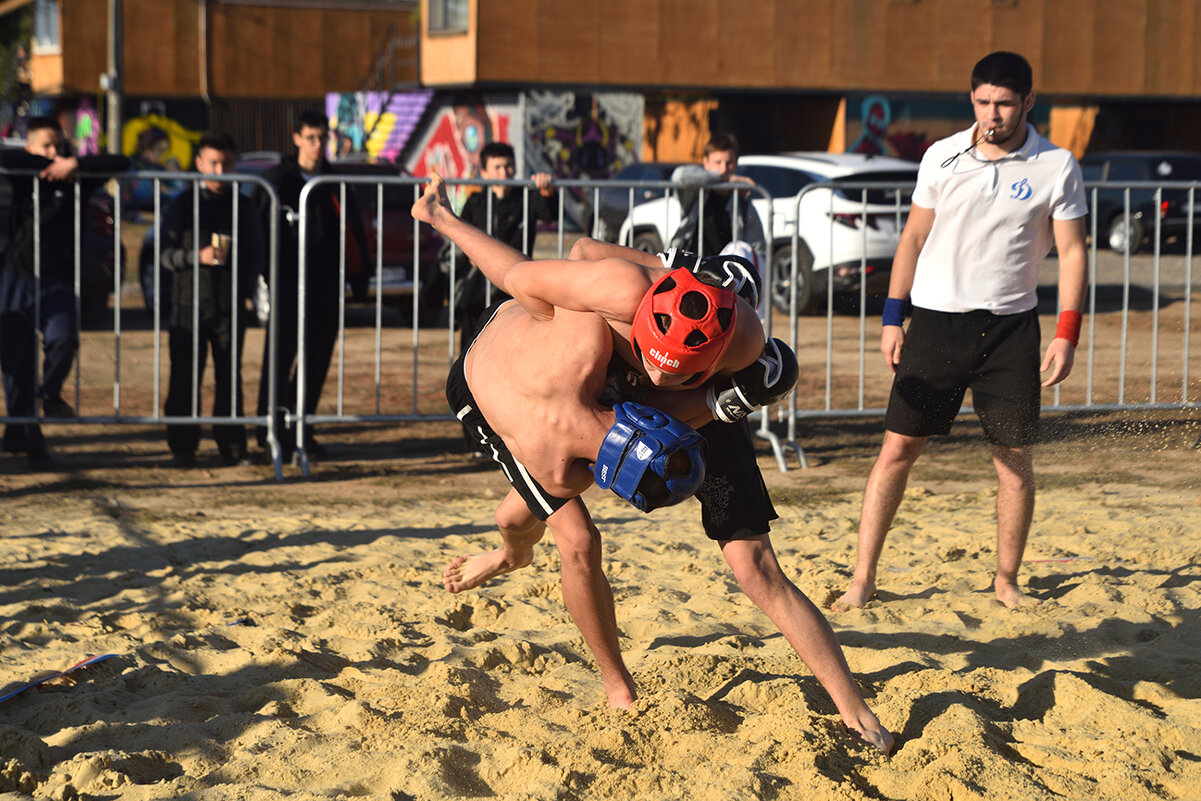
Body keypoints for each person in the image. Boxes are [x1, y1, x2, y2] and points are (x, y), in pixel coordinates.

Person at [415, 175, 894, 755]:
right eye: (653, 367)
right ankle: (610, 677)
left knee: (756, 566)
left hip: (665, 389)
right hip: (505, 397)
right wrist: (445, 220)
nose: (663, 380)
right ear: (637, 326)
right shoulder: (590, 329)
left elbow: (675, 392)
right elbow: (533, 268)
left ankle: (852, 707)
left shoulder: (741, 337)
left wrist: (722, 387)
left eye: (690, 373)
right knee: (563, 536)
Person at [832, 51, 1088, 611]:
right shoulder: (942, 156)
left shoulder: (1057, 164)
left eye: (1002, 103)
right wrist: (892, 316)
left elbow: (1071, 252)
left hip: (1010, 331)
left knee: (1014, 462)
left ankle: (1006, 581)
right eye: (982, 102)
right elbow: (912, 240)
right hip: (936, 325)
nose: (991, 113)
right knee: (896, 452)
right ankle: (863, 579)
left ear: (1028, 102)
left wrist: (1067, 333)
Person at [0, 116, 130, 469]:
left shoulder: (79, 178)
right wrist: (44, 165)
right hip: (19, 276)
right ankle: (26, 438)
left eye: (60, 145)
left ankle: (49, 393)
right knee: (16, 363)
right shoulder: (23, 174)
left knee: (64, 339)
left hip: (59, 279)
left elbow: (122, 162)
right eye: (47, 146)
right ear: (30, 147)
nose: (55, 152)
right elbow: (7, 158)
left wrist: (76, 164)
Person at [253, 110, 369, 463]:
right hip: (288, 284)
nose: (319, 145)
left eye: (323, 138)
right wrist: (259, 278)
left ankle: (302, 428)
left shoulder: (334, 181)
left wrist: (359, 277)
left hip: (326, 284)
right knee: (280, 358)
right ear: (297, 138)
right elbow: (257, 232)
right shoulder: (276, 181)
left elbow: (353, 231)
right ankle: (270, 430)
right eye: (312, 138)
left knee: (316, 360)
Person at [159, 131, 266, 467]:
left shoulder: (244, 206)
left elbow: (257, 255)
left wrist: (245, 286)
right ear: (200, 164)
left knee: (229, 378)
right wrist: (196, 256)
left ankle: (233, 448)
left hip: (230, 306)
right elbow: (165, 255)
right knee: (184, 378)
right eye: (213, 163)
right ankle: (182, 447)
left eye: (227, 163)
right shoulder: (183, 205)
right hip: (187, 305)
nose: (220, 171)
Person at [454, 141, 556, 353]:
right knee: (471, 348)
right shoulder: (475, 203)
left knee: (511, 348)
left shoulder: (526, 198)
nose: (504, 172)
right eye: (497, 167)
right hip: (478, 288)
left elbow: (550, 215)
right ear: (484, 171)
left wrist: (547, 192)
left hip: (514, 287)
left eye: (508, 166)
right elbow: (461, 236)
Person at [668, 133, 766, 266]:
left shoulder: (743, 204)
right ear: (706, 163)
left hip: (727, 276)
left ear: (736, 164)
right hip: (691, 269)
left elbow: (757, 249)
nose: (724, 169)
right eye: (718, 162)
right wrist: (726, 178)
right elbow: (679, 176)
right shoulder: (696, 194)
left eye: (729, 163)